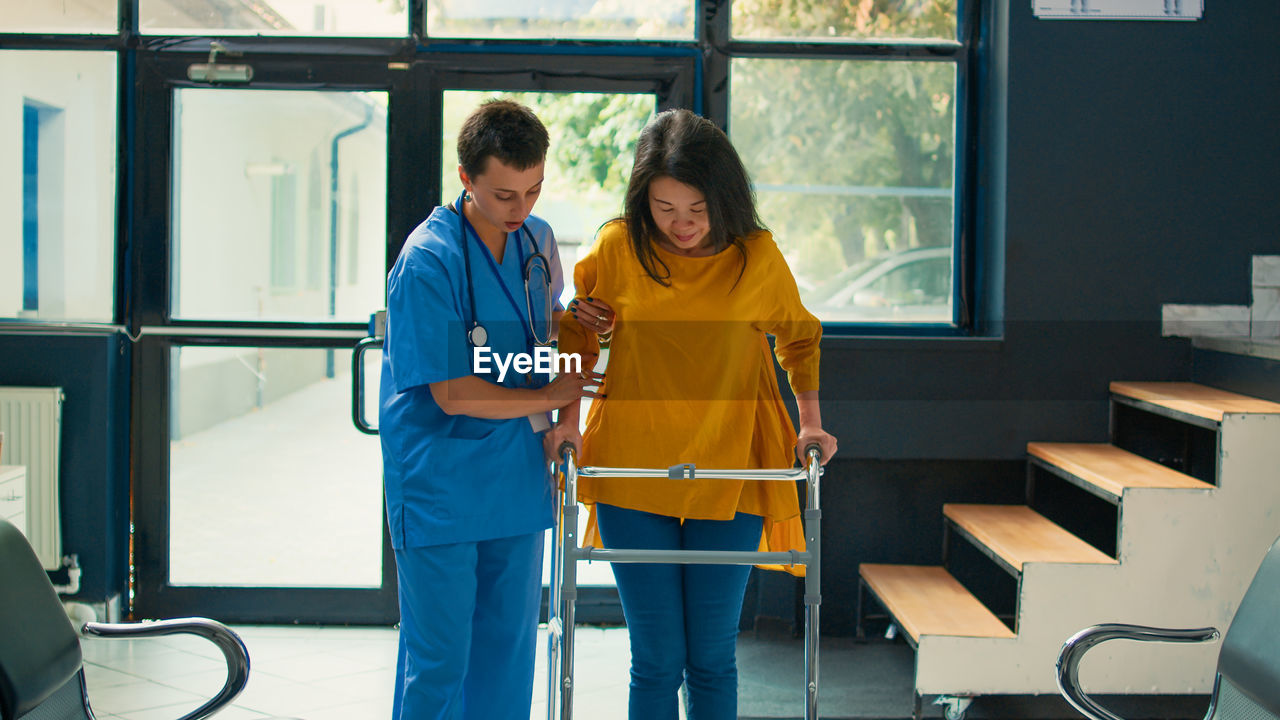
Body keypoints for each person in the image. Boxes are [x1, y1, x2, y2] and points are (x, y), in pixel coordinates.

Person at [551, 108, 838, 720]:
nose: (681, 224)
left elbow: (799, 335)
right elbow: (577, 336)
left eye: (697, 208)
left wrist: (809, 421)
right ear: (642, 200)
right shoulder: (618, 247)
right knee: (655, 658)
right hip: (634, 464)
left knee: (710, 657)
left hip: (732, 467)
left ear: (724, 196)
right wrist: (568, 422)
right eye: (664, 207)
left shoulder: (756, 257)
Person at [379, 99, 601, 720]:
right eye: (505, 195)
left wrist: (574, 323)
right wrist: (554, 395)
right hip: (441, 479)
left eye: (533, 191)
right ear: (466, 178)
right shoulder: (428, 261)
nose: (521, 209)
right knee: (441, 661)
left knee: (507, 655)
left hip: (514, 473)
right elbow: (452, 391)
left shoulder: (536, 241)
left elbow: (537, 331)